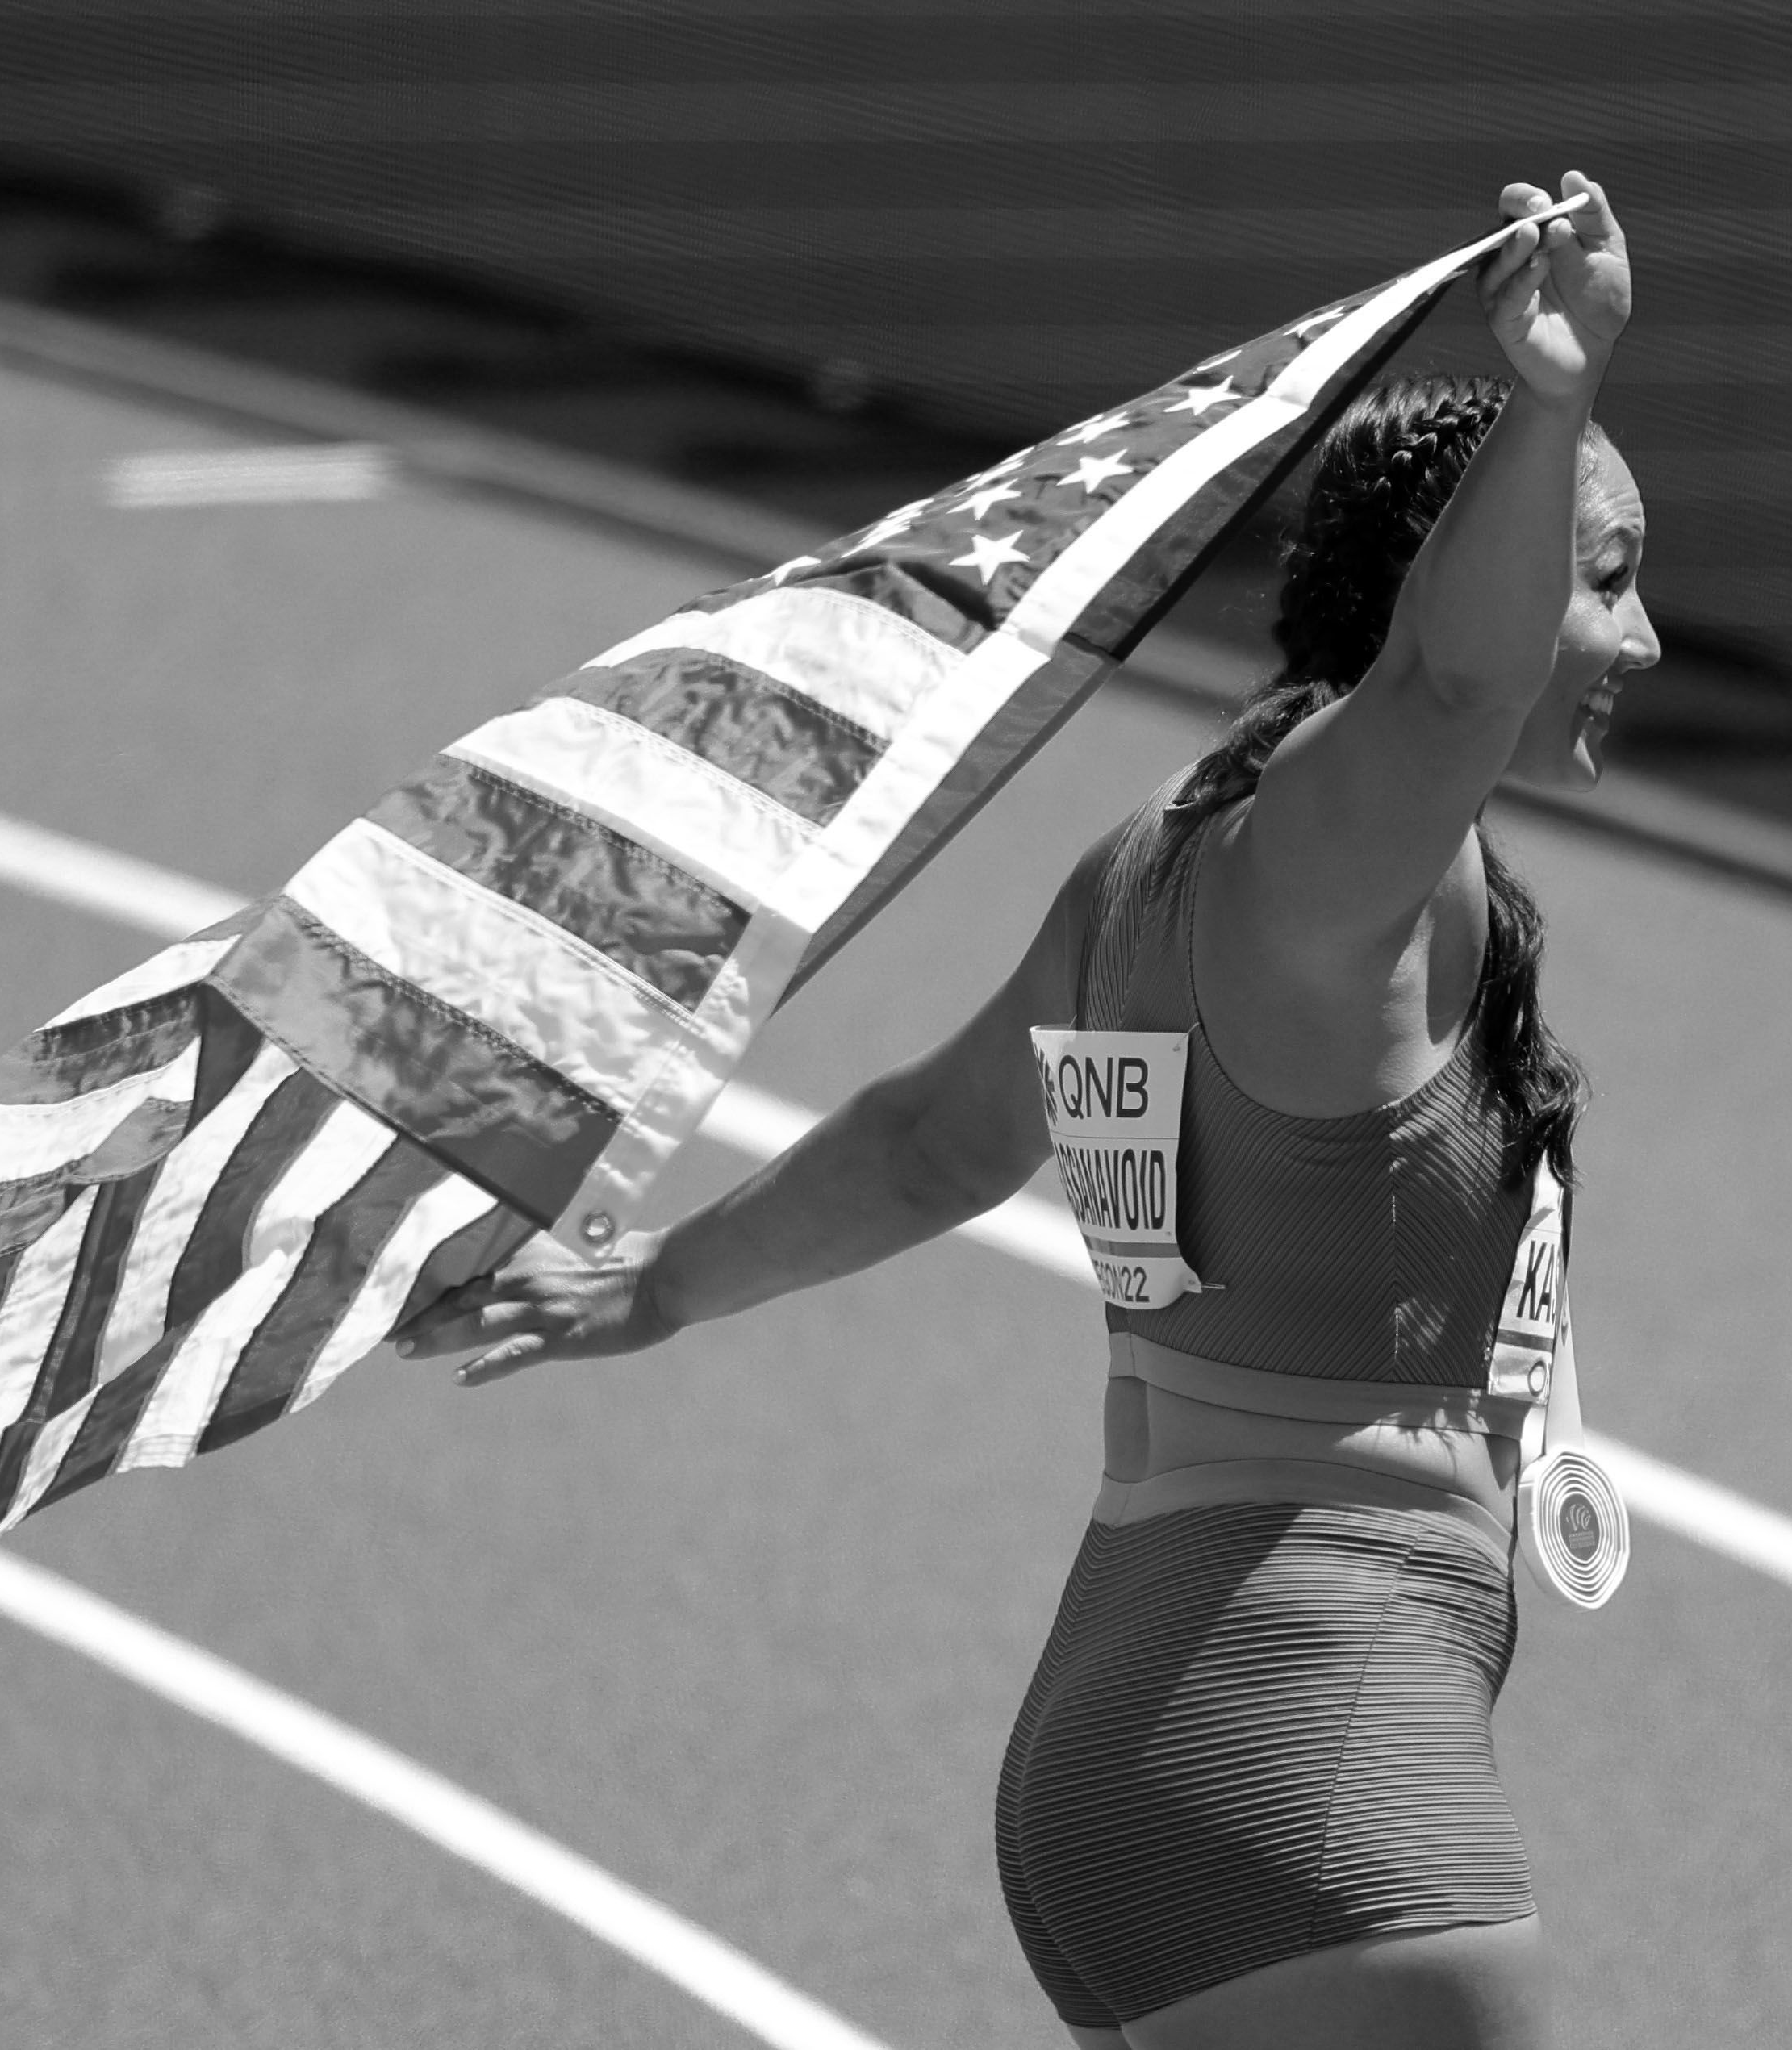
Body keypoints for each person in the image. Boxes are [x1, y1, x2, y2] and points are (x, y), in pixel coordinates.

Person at [397, 173, 1654, 2050]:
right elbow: (1456, 676)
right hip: (1314, 1757)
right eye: (1608, 570)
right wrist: (1553, 398)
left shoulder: (1141, 877)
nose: (1641, 639)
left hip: (1119, 1764)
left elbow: (937, 1141)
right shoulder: (1344, 877)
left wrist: (656, 1285)